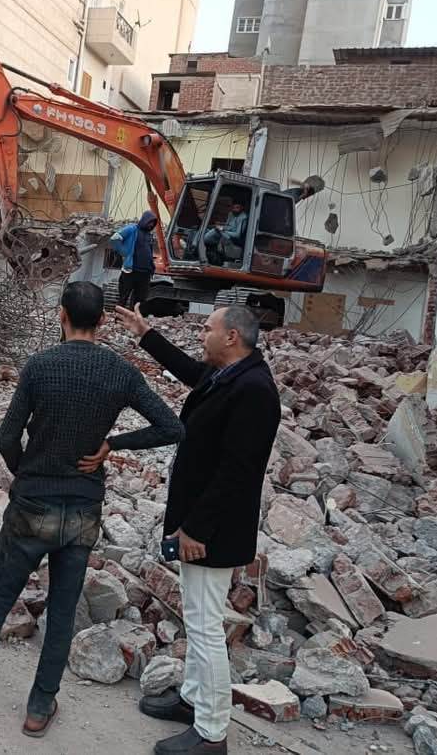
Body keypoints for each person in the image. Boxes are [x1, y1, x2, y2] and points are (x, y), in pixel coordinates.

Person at [0, 281, 184, 738]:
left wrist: (26, 473)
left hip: (32, 505)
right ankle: (39, 708)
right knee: (62, 611)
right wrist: (112, 444)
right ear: (101, 321)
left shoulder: (40, 366)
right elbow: (171, 427)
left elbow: (7, 436)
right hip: (83, 509)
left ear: (61, 314)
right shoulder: (120, 372)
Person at [112, 302, 281, 755]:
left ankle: (211, 733)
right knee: (197, 618)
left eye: (207, 328)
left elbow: (237, 472)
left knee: (206, 629)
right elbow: (190, 371)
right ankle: (192, 700)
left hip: (212, 532)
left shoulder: (255, 391)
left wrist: (196, 529)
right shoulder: (228, 373)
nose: (202, 334)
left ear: (231, 337)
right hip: (201, 524)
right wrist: (145, 334)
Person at [110, 210, 159, 310]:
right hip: (131, 271)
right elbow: (115, 238)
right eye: (150, 222)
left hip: (145, 273)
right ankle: (118, 317)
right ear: (145, 220)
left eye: (153, 223)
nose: (151, 225)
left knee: (140, 300)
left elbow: (149, 252)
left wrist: (152, 267)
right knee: (123, 297)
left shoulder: (149, 235)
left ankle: (133, 318)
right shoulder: (132, 229)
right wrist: (124, 252)